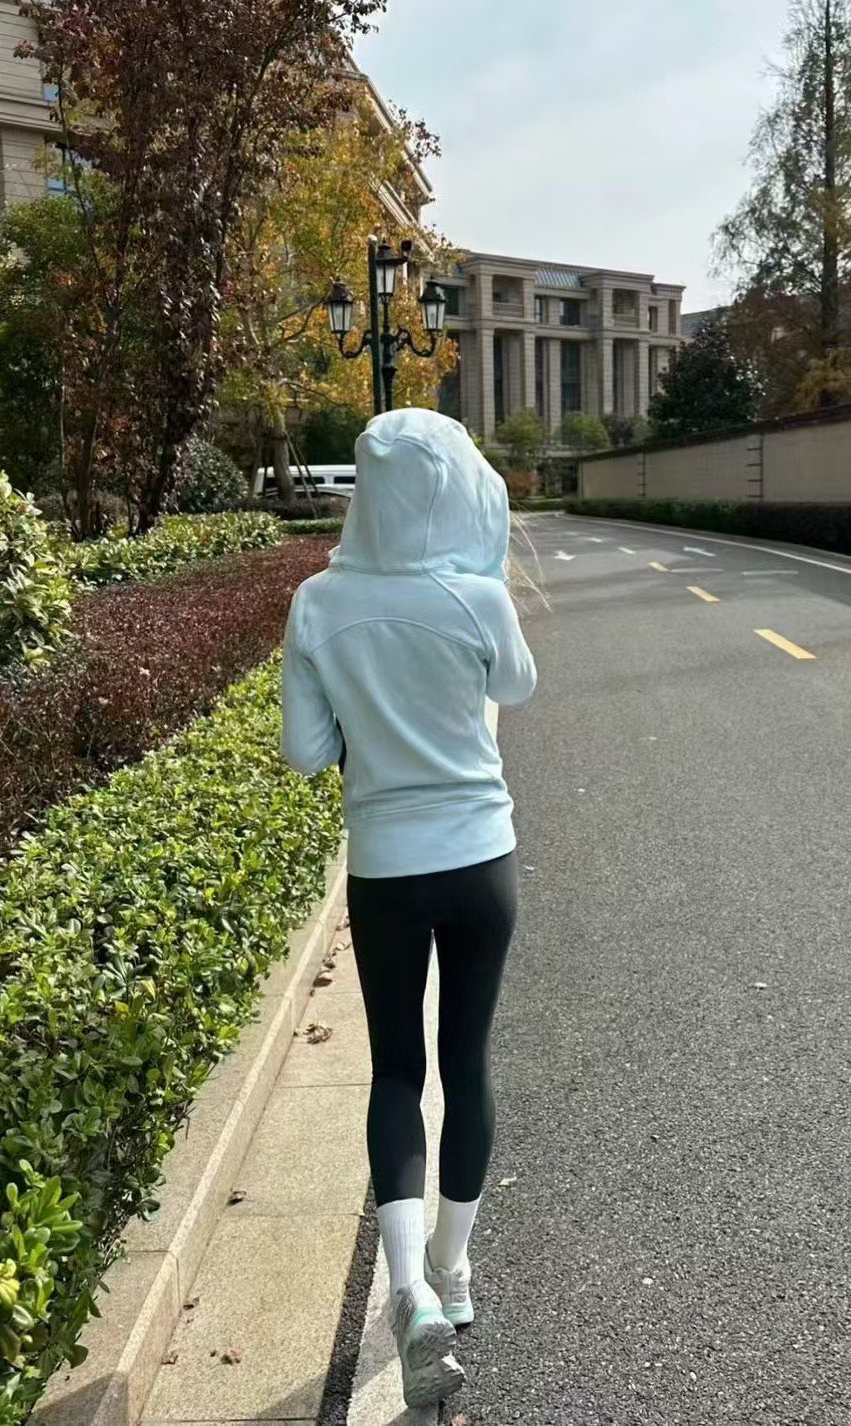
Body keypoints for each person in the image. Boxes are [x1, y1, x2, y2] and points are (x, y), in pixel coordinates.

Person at [280, 406, 537, 1409]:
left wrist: (365, 718)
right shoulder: (477, 594)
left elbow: (306, 752)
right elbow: (518, 683)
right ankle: (454, 1267)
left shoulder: (317, 602)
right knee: (466, 1064)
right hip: (479, 858)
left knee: (396, 1069)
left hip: (386, 866)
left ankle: (409, 1292)